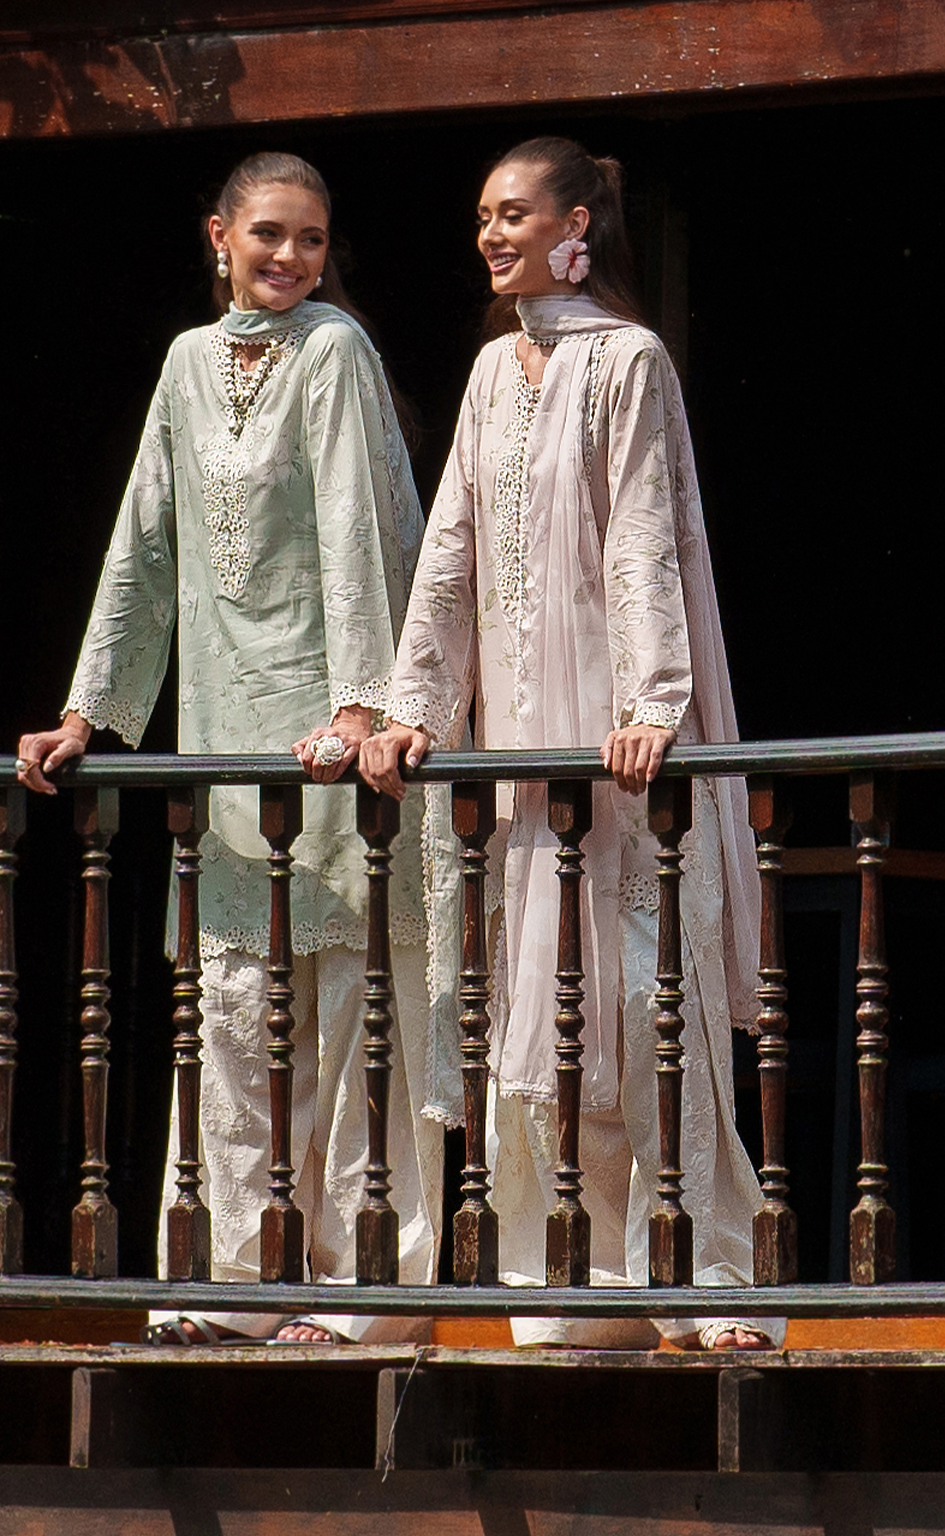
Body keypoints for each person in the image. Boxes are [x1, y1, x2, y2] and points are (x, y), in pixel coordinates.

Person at [361, 136, 782, 1350]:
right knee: (545, 1006)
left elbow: (643, 532)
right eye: (482, 217)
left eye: (512, 213)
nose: (491, 235)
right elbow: (452, 550)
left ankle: (705, 1275)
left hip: (612, 734)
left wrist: (653, 705)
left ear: (576, 226)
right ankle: (578, 1275)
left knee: (645, 992)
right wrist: (413, 708)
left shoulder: (629, 359)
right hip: (522, 739)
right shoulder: (493, 371)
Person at [16, 151, 440, 1345]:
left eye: (311, 239)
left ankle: (358, 1296)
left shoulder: (335, 350)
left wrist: (360, 704)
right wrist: (87, 714)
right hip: (222, 730)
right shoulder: (185, 364)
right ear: (219, 235)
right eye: (268, 234)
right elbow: (144, 541)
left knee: (347, 1002)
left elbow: (358, 521)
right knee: (236, 1008)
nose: (289, 258)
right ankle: (228, 1282)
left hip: (328, 735)